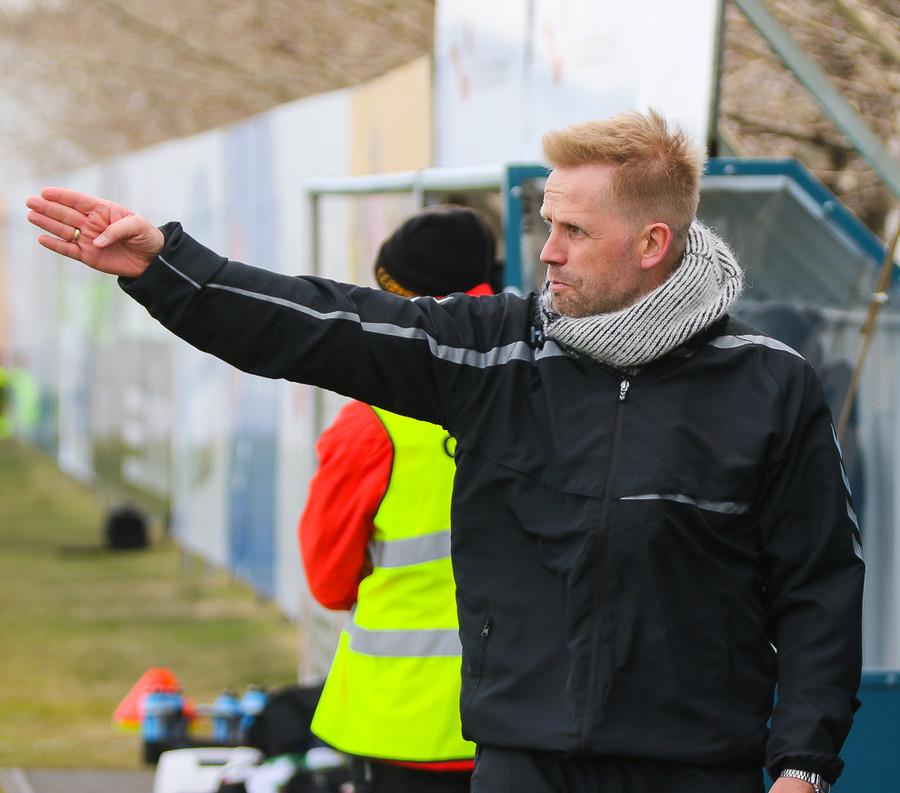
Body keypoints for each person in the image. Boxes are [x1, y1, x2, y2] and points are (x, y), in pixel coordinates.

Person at [26, 109, 864, 793]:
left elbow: (819, 588)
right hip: (522, 762)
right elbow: (321, 324)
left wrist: (803, 765)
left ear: (652, 243)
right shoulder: (496, 349)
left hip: (698, 768)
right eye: (547, 223)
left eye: (575, 229)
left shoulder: (770, 384)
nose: (548, 250)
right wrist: (167, 268)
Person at [299, 206, 494, 792]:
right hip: (532, 719)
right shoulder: (550, 380)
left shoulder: (371, 423)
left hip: (404, 726)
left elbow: (329, 582)